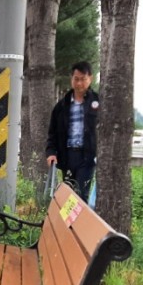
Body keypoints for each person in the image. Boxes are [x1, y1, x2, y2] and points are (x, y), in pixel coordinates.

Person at [45, 61, 99, 203]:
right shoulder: (61, 106)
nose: (79, 83)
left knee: (81, 195)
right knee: (68, 194)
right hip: (67, 156)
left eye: (83, 79)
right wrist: (51, 153)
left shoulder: (98, 103)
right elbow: (52, 134)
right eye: (76, 79)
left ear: (90, 79)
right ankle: (67, 225)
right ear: (71, 79)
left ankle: (79, 225)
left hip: (87, 157)